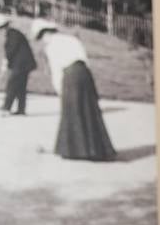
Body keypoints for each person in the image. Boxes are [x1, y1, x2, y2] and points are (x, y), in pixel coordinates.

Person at [30, 18, 116, 161]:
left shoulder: (51, 46)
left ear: (45, 33)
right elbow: (85, 59)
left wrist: (59, 89)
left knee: (71, 111)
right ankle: (96, 149)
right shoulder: (71, 39)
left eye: (41, 37)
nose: (43, 40)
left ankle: (75, 150)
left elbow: (57, 69)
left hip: (70, 76)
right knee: (89, 109)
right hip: (84, 74)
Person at [0, 14, 36, 117]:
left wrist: (6, 60)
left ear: (4, 26)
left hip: (21, 64)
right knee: (20, 86)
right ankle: (21, 110)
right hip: (22, 63)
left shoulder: (13, 34)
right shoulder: (12, 33)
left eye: (0, 28)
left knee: (12, 84)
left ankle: (6, 108)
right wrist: (7, 61)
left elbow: (11, 50)